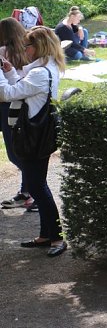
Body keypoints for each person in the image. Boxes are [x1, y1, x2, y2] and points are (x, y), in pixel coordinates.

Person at [0, 26, 67, 257]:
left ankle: (57, 237)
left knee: (39, 188)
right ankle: (46, 235)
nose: (25, 50)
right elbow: (22, 87)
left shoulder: (39, 73)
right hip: (40, 136)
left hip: (33, 138)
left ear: (37, 47)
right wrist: (9, 72)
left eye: (27, 46)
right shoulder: (47, 68)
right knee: (39, 186)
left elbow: (7, 94)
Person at [0, 17, 34, 211]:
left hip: (7, 104)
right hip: (22, 103)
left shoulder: (3, 52)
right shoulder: (28, 51)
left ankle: (31, 189)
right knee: (18, 148)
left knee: (14, 152)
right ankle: (27, 190)